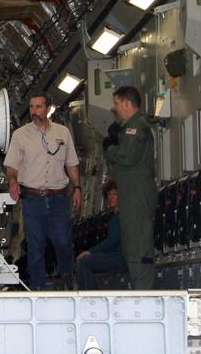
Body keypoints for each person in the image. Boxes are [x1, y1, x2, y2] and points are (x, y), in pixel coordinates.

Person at [3, 92, 80, 289]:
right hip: (33, 198)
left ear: (48, 109)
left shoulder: (62, 133)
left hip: (58, 197)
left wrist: (77, 187)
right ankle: (37, 288)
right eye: (31, 107)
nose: (34, 111)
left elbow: (71, 163)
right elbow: (11, 165)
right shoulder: (20, 136)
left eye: (38, 107)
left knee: (63, 241)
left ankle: (67, 276)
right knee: (35, 245)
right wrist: (12, 181)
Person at [102, 85, 158, 289]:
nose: (115, 108)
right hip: (132, 197)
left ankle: (144, 295)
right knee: (132, 248)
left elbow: (127, 157)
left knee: (138, 250)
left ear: (127, 103)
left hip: (137, 197)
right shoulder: (130, 127)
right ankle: (140, 291)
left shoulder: (136, 127)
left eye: (117, 103)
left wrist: (110, 149)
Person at [75, 181, 126, 289]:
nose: (111, 197)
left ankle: (89, 298)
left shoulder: (121, 217)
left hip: (120, 257)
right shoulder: (114, 217)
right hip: (115, 255)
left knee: (84, 262)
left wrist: (90, 251)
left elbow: (111, 242)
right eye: (109, 194)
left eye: (115, 194)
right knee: (83, 261)